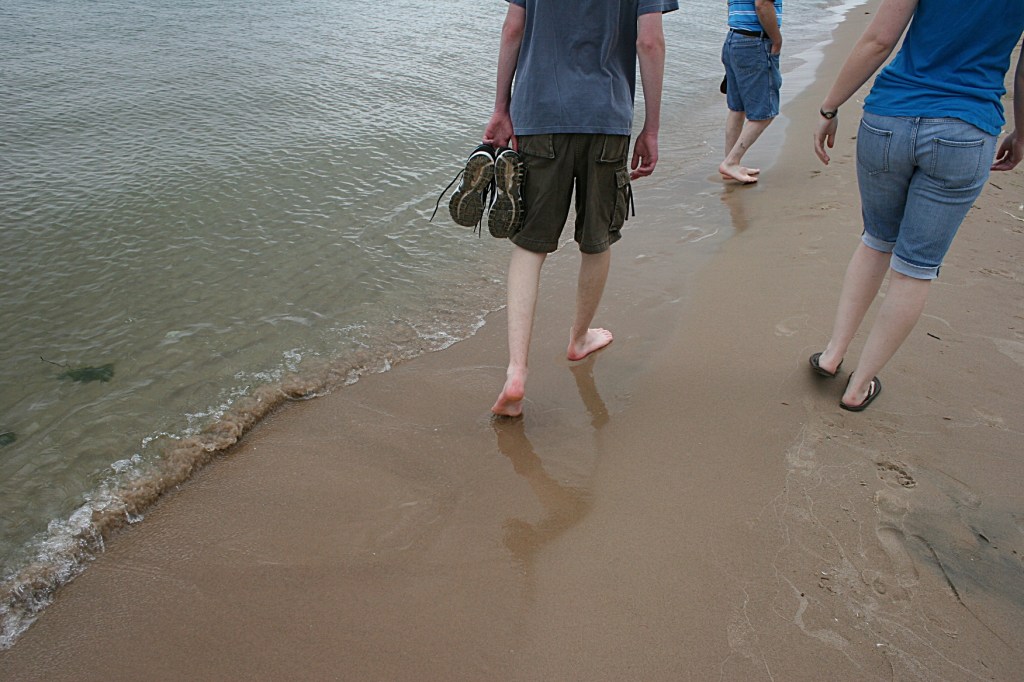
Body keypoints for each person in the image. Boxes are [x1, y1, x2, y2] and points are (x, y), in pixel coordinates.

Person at [809, 0, 1024, 411]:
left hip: (890, 117)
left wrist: (829, 107)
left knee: (876, 239)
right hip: (966, 128)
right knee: (915, 268)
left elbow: (879, 39)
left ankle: (833, 354)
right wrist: (1022, 134)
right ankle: (858, 388)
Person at [483, 0, 678, 417]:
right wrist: (652, 127)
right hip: (605, 115)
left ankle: (517, 371)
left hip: (538, 113)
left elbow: (513, 30)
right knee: (597, 237)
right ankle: (579, 338)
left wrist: (501, 109)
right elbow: (649, 41)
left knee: (530, 244)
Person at [719, 0, 783, 183]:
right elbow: (762, 4)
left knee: (737, 108)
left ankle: (730, 163)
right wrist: (777, 39)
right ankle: (730, 163)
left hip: (734, 38)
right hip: (755, 41)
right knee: (766, 112)